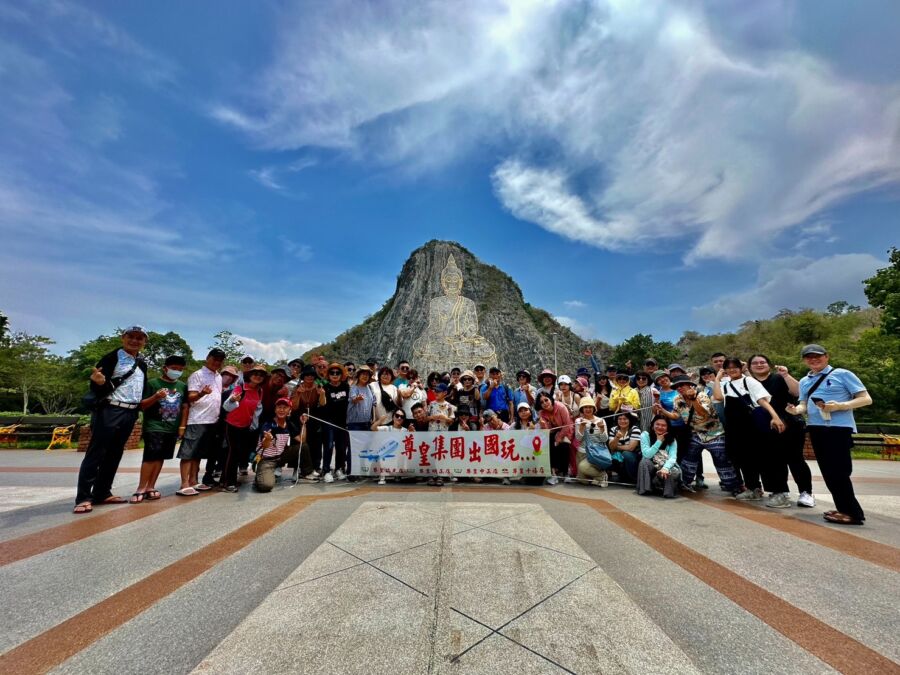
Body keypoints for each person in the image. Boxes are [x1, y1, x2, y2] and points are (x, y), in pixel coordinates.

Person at [786, 344, 872, 525]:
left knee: (839, 472)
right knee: (828, 472)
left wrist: (840, 406)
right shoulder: (804, 380)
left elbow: (866, 399)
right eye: (809, 357)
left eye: (817, 356)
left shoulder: (842, 374)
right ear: (804, 360)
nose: (813, 359)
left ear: (827, 356)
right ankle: (843, 509)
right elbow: (803, 403)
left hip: (838, 429)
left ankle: (853, 514)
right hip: (816, 428)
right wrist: (795, 410)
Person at [75, 326, 149, 513]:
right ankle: (83, 497)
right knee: (96, 452)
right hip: (110, 408)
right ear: (123, 338)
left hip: (130, 411)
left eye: (139, 338)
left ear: (144, 342)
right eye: (131, 337)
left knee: (115, 453)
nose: (135, 341)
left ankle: (102, 492)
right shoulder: (112, 357)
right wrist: (98, 382)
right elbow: (98, 381)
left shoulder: (141, 363)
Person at [712, 357, 786, 501]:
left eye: (735, 366)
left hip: (752, 426)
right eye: (728, 367)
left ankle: (779, 492)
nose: (732, 370)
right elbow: (718, 397)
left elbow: (761, 400)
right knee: (743, 459)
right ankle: (753, 488)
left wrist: (775, 417)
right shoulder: (725, 384)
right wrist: (718, 378)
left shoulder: (749, 381)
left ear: (741, 368)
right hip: (735, 428)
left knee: (764, 457)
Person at [748, 354, 815, 508]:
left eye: (763, 362)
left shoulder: (778, 378)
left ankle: (806, 492)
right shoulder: (749, 383)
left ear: (769, 365)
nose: (759, 365)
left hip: (789, 423)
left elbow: (798, 392)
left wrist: (786, 375)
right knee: (772, 461)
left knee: (795, 459)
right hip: (766, 428)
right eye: (755, 363)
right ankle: (779, 492)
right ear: (750, 368)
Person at [669, 375, 741, 494]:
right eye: (676, 386)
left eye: (682, 385)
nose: (679, 388)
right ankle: (683, 483)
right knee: (688, 461)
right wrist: (662, 411)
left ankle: (733, 487)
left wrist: (693, 399)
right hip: (695, 434)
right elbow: (676, 415)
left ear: (689, 385)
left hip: (714, 434)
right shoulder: (677, 399)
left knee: (722, 462)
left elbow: (704, 414)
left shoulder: (701, 395)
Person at [134, 355, 188, 503]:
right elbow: (142, 405)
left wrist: (182, 426)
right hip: (154, 426)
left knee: (160, 457)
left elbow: (184, 407)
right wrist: (156, 397)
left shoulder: (182, 386)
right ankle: (140, 488)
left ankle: (151, 487)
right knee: (150, 456)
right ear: (165, 368)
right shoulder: (153, 383)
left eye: (180, 369)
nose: (177, 371)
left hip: (172, 428)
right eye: (174, 368)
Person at [178, 348, 225, 496]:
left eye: (220, 360)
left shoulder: (218, 376)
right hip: (197, 419)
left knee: (198, 453)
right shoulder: (197, 375)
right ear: (207, 358)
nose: (217, 362)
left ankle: (194, 480)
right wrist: (201, 393)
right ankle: (184, 483)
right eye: (214, 358)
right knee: (188, 453)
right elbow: (190, 397)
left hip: (212, 420)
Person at [219, 363, 266, 493]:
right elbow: (226, 406)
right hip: (232, 425)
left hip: (246, 426)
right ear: (250, 375)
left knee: (239, 453)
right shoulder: (240, 388)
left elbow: (256, 410)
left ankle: (226, 479)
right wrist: (233, 400)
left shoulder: (260, 391)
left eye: (261, 375)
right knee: (232, 452)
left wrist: (254, 427)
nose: (258, 376)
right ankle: (228, 482)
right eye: (255, 373)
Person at [254, 398, 300, 492]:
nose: (281, 410)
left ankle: (306, 472)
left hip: (280, 458)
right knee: (266, 486)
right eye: (279, 407)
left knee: (303, 447)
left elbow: (301, 439)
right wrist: (267, 439)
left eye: (285, 407)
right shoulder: (268, 425)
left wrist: (304, 424)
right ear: (275, 410)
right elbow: (265, 445)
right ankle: (260, 477)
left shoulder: (289, 424)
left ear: (289, 410)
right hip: (267, 460)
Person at [290, 365, 326, 479]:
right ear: (303, 377)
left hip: (314, 418)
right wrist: (299, 394)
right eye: (307, 375)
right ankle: (298, 468)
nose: (309, 377)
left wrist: (322, 394)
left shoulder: (318, 387)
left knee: (316, 443)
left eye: (311, 375)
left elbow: (323, 403)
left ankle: (315, 467)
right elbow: (294, 407)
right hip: (299, 418)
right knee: (301, 443)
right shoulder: (297, 388)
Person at [637, 415, 681, 498]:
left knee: (673, 471)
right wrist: (658, 441)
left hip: (664, 465)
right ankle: (646, 489)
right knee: (644, 462)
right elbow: (647, 455)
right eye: (657, 424)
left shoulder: (672, 440)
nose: (660, 427)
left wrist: (666, 468)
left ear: (668, 427)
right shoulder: (645, 435)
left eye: (663, 425)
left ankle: (668, 493)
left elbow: (672, 457)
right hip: (651, 465)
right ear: (653, 425)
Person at [537, 391, 573, 485]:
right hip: (552, 433)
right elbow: (547, 431)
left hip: (566, 431)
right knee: (548, 446)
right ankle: (553, 474)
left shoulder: (561, 407)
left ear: (550, 399)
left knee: (564, 446)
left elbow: (567, 424)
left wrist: (559, 437)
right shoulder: (541, 413)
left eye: (546, 400)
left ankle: (566, 473)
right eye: (541, 402)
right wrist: (544, 426)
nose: (545, 403)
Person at [321, 363, 350, 482]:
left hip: (342, 421)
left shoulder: (346, 386)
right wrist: (322, 394)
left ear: (341, 374)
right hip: (329, 420)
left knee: (341, 446)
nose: (335, 375)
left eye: (337, 373)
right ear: (328, 374)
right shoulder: (325, 387)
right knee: (328, 445)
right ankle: (326, 470)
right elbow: (322, 403)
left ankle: (339, 468)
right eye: (332, 373)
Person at [574, 397, 610, 487]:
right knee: (583, 481)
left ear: (594, 408)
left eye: (590, 407)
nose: (588, 409)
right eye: (585, 407)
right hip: (582, 452)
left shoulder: (601, 420)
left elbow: (604, 440)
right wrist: (582, 427)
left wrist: (602, 428)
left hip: (596, 453)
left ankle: (602, 476)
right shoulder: (578, 421)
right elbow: (578, 439)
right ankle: (597, 478)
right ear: (582, 409)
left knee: (583, 467)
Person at [608, 412, 642, 483]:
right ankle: (623, 476)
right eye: (620, 419)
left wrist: (616, 447)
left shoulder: (635, 429)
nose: (622, 421)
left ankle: (634, 478)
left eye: (625, 419)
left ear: (630, 420)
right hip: (617, 456)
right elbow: (611, 447)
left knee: (626, 454)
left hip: (633, 456)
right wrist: (617, 438)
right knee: (609, 457)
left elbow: (631, 448)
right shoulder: (613, 430)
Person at [347, 365, 376, 433]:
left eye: (367, 375)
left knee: (365, 443)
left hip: (367, 422)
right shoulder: (354, 388)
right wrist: (358, 398)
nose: (365, 376)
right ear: (359, 375)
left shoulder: (370, 388)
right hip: (354, 423)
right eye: (363, 374)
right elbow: (353, 400)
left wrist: (374, 418)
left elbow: (374, 403)